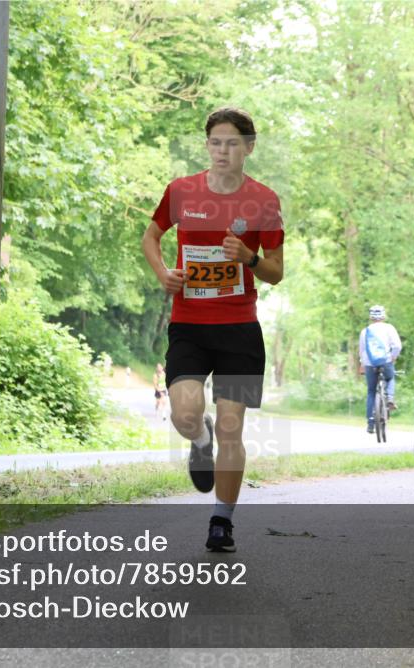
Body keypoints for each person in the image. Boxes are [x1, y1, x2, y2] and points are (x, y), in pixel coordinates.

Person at [141, 107, 284, 552]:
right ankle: (197, 441)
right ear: (207, 146)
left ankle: (221, 522)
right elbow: (151, 237)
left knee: (231, 427)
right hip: (190, 327)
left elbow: (276, 272)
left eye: (233, 143)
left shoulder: (264, 200)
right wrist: (163, 272)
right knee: (185, 415)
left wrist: (250, 258)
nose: (223, 151)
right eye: (215, 142)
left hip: (240, 330)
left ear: (249, 147)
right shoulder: (182, 191)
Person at [358, 305, 402, 434]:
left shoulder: (365, 331)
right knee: (390, 377)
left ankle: (371, 423)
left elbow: (362, 350)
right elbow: (397, 346)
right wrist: (393, 357)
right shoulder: (389, 328)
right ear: (383, 316)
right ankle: (390, 398)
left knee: (371, 391)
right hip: (385, 361)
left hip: (369, 364)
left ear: (371, 317)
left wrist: (362, 364)